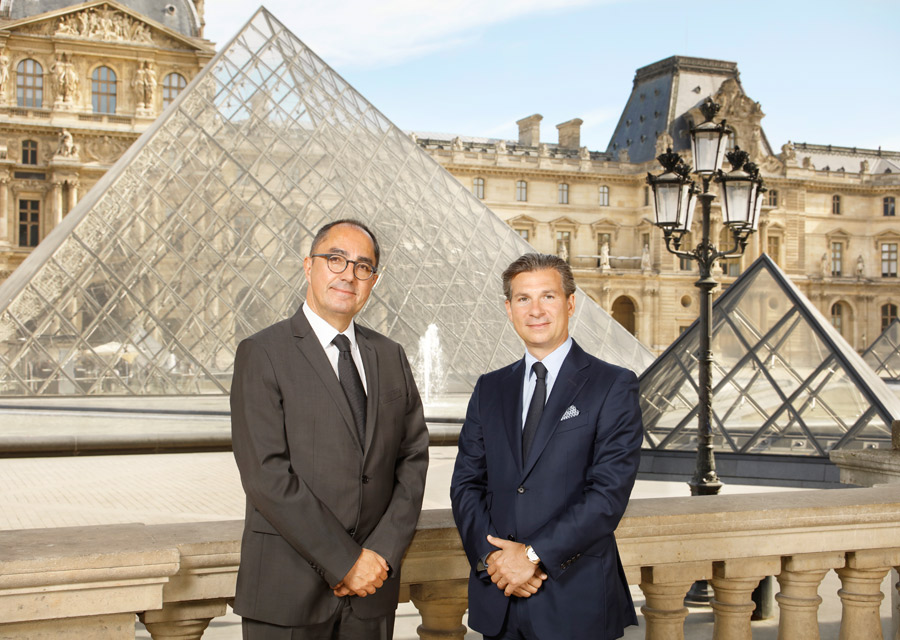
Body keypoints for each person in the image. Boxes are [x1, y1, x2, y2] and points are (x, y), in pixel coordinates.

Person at [231, 219, 429, 639]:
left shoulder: (390, 355)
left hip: (372, 591)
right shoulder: (262, 353)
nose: (348, 274)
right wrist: (346, 562)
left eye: (363, 266)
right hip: (287, 591)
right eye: (335, 259)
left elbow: (413, 459)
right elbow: (266, 476)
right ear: (309, 266)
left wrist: (380, 556)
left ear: (373, 280)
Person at [450, 253, 642, 640]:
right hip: (500, 595)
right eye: (523, 299)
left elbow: (607, 496)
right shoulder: (490, 387)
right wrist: (496, 561)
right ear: (509, 308)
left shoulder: (613, 385)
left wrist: (531, 556)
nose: (535, 310)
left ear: (570, 303)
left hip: (575, 599)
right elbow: (466, 484)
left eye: (548, 297)